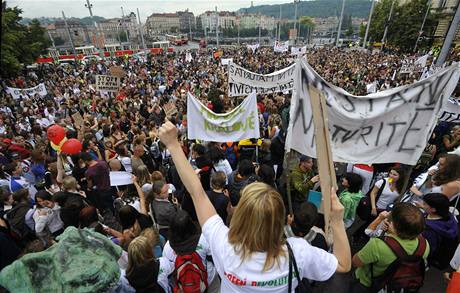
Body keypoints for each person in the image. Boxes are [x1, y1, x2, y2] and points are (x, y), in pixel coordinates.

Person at [158, 121, 350, 292]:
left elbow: (196, 192)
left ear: (240, 215)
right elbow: (343, 264)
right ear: (281, 220)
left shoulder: (224, 246)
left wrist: (173, 145)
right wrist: (338, 222)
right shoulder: (298, 253)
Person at [352, 203, 429, 291]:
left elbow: (356, 262)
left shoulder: (378, 245)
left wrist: (386, 232)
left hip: (367, 283)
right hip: (393, 284)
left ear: (394, 225)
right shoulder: (424, 244)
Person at [163, 210, 220, 292]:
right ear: (191, 225)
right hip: (210, 282)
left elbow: (169, 272)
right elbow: (215, 258)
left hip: (185, 288)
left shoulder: (167, 248)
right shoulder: (203, 239)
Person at [421, 193, 458, 269]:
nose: (422, 205)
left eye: (425, 204)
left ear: (433, 209)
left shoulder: (430, 230)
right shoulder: (448, 216)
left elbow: (426, 249)